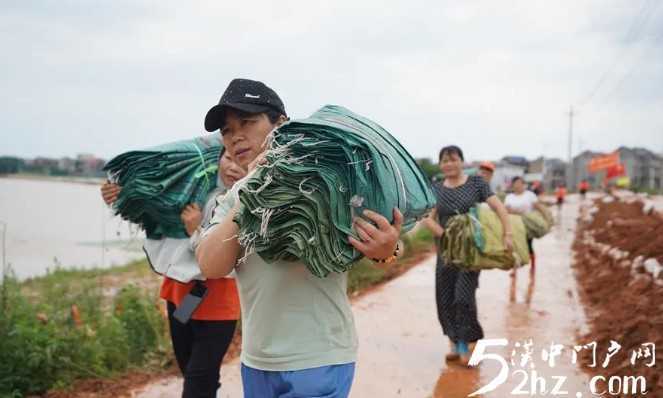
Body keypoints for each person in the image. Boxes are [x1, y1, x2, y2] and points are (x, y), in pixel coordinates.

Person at [195, 78, 403, 398]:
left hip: (320, 356)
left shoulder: (324, 181)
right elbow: (211, 265)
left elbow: (384, 249)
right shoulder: (233, 198)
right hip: (257, 362)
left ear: (280, 123)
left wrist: (388, 250)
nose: (235, 135)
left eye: (247, 122)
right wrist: (250, 191)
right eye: (226, 130)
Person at [100, 146, 244, 398]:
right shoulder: (189, 187)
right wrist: (120, 194)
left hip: (218, 305)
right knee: (190, 369)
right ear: (217, 158)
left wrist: (196, 230)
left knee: (199, 378)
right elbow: (154, 208)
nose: (233, 167)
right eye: (228, 158)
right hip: (180, 298)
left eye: (241, 163)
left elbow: (233, 257)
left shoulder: (239, 202)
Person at [422, 145, 513, 367]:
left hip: (470, 253)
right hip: (446, 252)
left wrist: (507, 233)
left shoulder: (476, 184)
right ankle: (453, 342)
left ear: (462, 161)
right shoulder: (435, 189)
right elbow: (427, 218)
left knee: (463, 298)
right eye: (444, 160)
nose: (449, 164)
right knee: (444, 299)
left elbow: (498, 207)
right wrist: (446, 234)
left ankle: (466, 342)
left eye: (453, 159)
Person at [504, 176, 547, 273]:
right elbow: (506, 210)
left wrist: (545, 218)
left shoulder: (530, 195)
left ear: (523, 185)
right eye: (516, 183)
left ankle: (533, 267)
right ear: (513, 185)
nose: (518, 185)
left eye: (520, 183)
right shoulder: (509, 197)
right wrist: (512, 212)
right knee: (514, 247)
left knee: (529, 245)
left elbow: (538, 207)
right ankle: (514, 268)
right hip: (514, 225)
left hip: (527, 225)